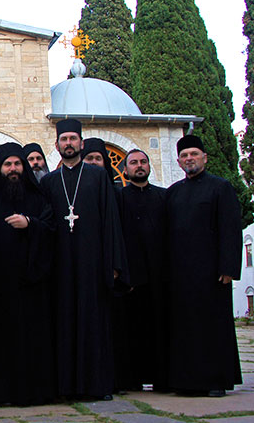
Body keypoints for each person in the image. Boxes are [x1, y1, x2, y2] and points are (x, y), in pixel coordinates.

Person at [39, 119, 126, 401]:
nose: (68, 144)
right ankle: (65, 386)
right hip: (60, 265)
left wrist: (113, 262)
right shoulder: (50, 182)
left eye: (73, 139)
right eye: (63, 139)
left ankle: (98, 386)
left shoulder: (98, 177)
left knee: (94, 323)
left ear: (81, 143)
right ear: (56, 145)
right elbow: (45, 224)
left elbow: (110, 220)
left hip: (93, 262)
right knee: (63, 323)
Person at [0, 143, 56, 406]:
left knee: (32, 341)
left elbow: (52, 231)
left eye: (17, 164)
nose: (13, 169)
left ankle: (33, 392)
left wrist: (30, 223)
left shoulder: (38, 198)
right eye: (7, 164)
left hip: (31, 285)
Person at [166, 134, 242, 397]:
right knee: (184, 328)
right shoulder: (174, 192)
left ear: (205, 158)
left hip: (212, 274)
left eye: (194, 155)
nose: (189, 159)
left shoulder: (221, 188)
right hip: (181, 274)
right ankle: (186, 381)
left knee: (212, 328)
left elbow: (231, 230)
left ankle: (215, 380)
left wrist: (229, 268)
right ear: (178, 161)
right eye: (185, 156)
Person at [113, 149, 168, 392]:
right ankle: (131, 379)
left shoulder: (165, 197)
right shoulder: (119, 198)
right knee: (131, 331)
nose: (139, 166)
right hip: (131, 278)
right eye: (133, 163)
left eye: (143, 162)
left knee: (160, 329)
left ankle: (162, 378)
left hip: (160, 275)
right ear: (125, 169)